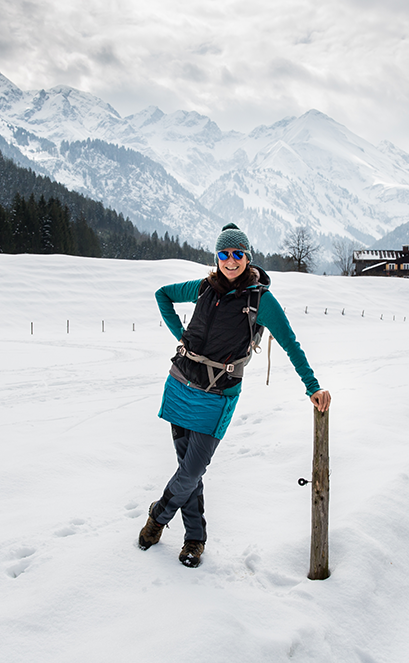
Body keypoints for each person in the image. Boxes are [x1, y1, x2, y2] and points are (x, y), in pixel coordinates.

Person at [139, 223, 332, 568]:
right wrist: (181, 336)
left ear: (247, 256)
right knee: (190, 472)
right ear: (217, 257)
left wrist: (312, 385)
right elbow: (162, 295)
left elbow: (291, 344)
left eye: (237, 254)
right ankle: (194, 541)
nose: (231, 261)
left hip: (218, 395)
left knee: (192, 469)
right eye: (224, 254)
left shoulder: (261, 300)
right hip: (181, 382)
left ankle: (157, 516)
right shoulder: (202, 288)